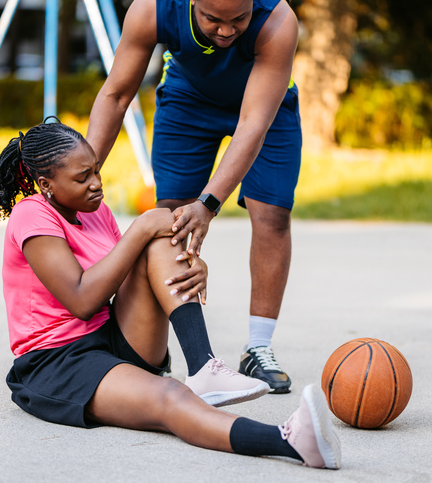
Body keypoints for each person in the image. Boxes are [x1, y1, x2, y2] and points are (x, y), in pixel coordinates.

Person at [0, 119, 340, 469]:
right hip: (59, 363)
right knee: (171, 396)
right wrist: (143, 226)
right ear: (46, 184)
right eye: (82, 177)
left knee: (159, 236)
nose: (96, 184)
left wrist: (190, 263)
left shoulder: (94, 209)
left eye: (97, 170)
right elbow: (83, 300)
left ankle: (203, 367)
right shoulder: (31, 216)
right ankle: (290, 441)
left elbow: (125, 274)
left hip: (112, 337)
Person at [86, 0, 302, 393]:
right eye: (212, 19)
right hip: (188, 98)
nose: (225, 31)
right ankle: (150, 348)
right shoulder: (152, 10)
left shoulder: (278, 20)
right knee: (168, 223)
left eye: (238, 19)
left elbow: (253, 123)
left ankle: (258, 347)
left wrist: (209, 204)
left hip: (267, 108)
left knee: (273, 216)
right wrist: (82, 176)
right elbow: (116, 95)